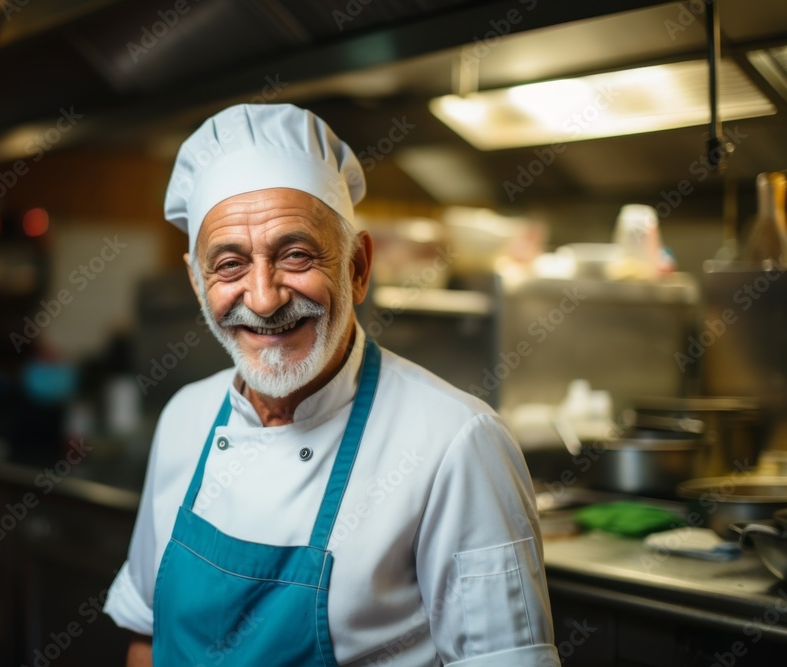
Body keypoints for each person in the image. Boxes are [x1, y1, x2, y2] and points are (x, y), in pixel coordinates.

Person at [104, 103, 559, 666]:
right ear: (198, 285)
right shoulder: (185, 418)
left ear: (358, 268)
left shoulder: (457, 443)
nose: (265, 298)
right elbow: (147, 638)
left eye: (296, 255)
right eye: (229, 265)